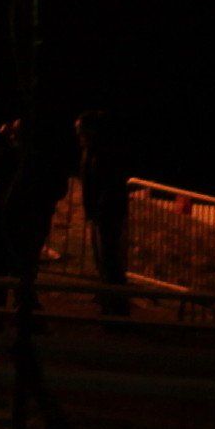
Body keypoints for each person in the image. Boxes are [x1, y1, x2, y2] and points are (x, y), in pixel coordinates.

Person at [76, 114, 132, 318]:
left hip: (107, 215)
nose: (79, 135)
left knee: (110, 261)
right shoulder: (91, 152)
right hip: (99, 214)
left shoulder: (104, 153)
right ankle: (108, 299)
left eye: (81, 130)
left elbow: (109, 186)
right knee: (103, 259)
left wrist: (100, 210)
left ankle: (116, 307)